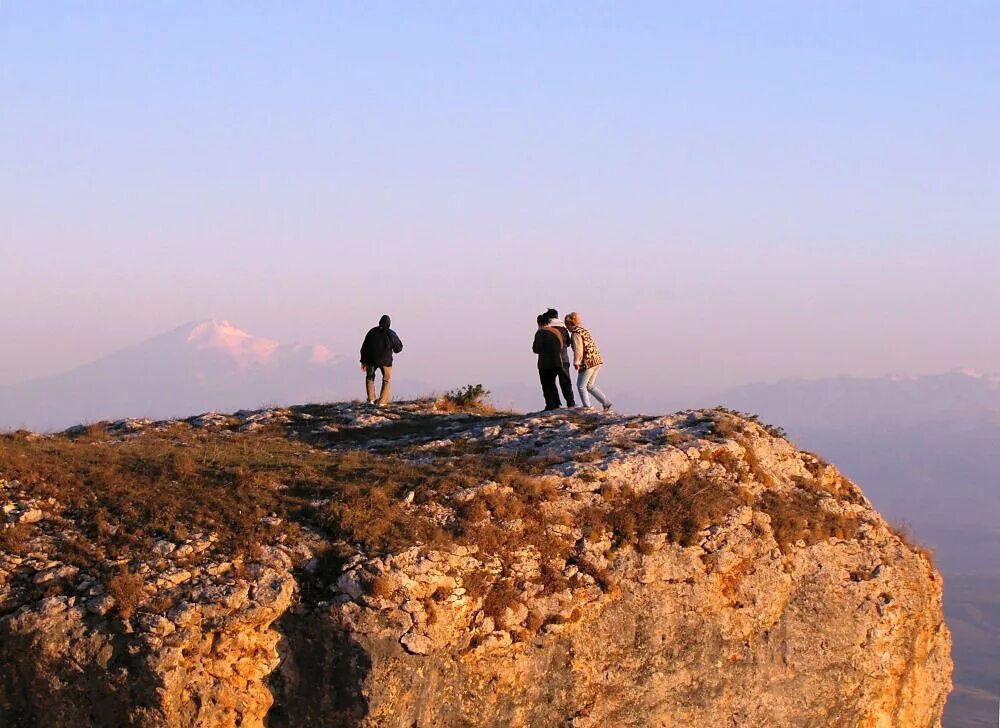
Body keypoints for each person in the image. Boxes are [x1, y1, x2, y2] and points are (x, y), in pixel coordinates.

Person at [565, 311, 613, 412]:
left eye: (567, 325)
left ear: (570, 324)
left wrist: (577, 362)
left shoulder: (575, 333)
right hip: (597, 360)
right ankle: (606, 402)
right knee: (589, 385)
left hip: (588, 362)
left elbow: (579, 349)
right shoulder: (583, 330)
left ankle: (587, 407)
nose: (567, 328)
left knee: (581, 385)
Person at [359, 314, 403, 406]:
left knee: (369, 378)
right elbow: (398, 348)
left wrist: (363, 361)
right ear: (389, 324)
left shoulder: (371, 332)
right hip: (386, 361)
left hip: (371, 360)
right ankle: (382, 402)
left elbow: (364, 347)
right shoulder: (391, 333)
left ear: (379, 322)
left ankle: (371, 400)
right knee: (386, 379)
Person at [543, 308, 576, 407]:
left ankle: (554, 404)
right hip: (564, 359)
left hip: (550, 361)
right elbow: (568, 343)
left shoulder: (546, 329)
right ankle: (570, 403)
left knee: (550, 383)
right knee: (566, 382)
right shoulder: (564, 328)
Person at [532, 313, 565, 410]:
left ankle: (550, 404)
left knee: (546, 384)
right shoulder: (556, 331)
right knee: (552, 383)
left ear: (539, 322)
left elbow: (536, 349)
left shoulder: (540, 332)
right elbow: (561, 345)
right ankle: (557, 403)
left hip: (545, 363)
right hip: (557, 362)